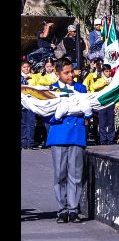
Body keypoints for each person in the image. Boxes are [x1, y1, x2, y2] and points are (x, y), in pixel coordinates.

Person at [46, 57, 90, 223]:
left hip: (77, 134)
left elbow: (86, 109)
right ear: (58, 73)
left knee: (76, 174)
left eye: (71, 71)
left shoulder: (81, 88)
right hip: (58, 135)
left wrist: (85, 112)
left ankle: (73, 208)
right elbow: (46, 112)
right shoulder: (52, 90)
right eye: (66, 73)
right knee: (60, 174)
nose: (71, 75)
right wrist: (57, 115)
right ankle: (61, 209)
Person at [21, 60, 37, 149]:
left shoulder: (35, 76)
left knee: (31, 123)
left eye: (27, 67)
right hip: (22, 102)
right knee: (23, 123)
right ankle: (23, 142)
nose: (26, 68)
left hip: (32, 102)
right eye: (24, 67)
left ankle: (30, 142)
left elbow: (43, 81)